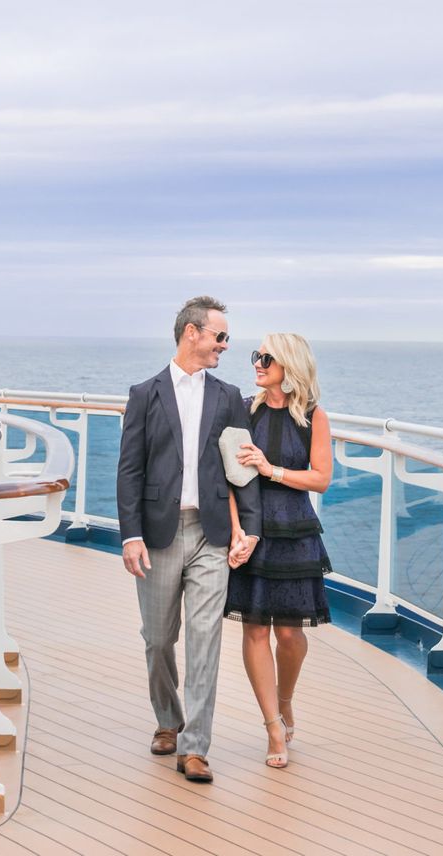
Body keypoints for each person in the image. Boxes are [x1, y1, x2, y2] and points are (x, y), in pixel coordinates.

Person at [117, 296, 261, 784]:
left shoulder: (229, 395)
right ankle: (168, 719)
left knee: (206, 640)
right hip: (157, 535)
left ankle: (195, 747)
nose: (225, 345)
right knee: (158, 640)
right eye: (220, 336)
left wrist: (252, 529)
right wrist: (130, 534)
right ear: (191, 334)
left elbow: (243, 471)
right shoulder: (144, 394)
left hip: (212, 533)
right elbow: (129, 470)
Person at [225, 333, 332, 769]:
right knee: (254, 631)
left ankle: (285, 701)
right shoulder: (243, 411)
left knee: (289, 634)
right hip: (251, 528)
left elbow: (321, 478)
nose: (257, 362)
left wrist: (273, 469)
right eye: (256, 356)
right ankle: (272, 726)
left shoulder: (312, 415)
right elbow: (229, 477)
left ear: (289, 364)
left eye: (266, 357)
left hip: (294, 529)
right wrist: (236, 533)